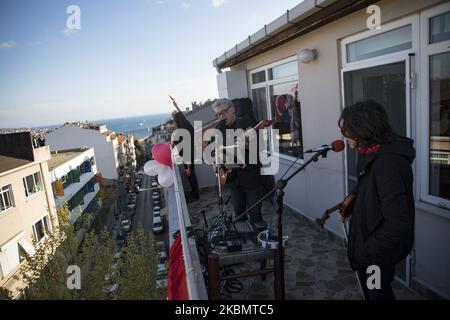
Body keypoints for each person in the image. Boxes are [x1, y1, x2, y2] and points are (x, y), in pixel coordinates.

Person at [338, 99, 415, 300]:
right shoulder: (369, 154)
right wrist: (355, 195)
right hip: (372, 246)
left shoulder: (386, 164)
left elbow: (398, 225)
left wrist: (365, 250)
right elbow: (370, 186)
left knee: (377, 293)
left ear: (362, 129)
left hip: (377, 254)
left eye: (347, 129)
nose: (344, 135)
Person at [211, 98, 267, 231]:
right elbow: (212, 149)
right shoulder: (219, 128)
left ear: (233, 109)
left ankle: (259, 243)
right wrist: (215, 160)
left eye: (224, 111)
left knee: (255, 215)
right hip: (232, 179)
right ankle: (246, 243)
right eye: (218, 114)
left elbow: (261, 146)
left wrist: (247, 144)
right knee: (239, 215)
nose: (221, 116)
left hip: (250, 176)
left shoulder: (248, 123)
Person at [171, 104, 200, 202]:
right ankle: (195, 194)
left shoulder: (180, 131)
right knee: (192, 174)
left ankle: (195, 195)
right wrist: (176, 105)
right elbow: (183, 116)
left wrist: (170, 145)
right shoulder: (188, 125)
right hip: (191, 152)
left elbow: (174, 143)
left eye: (174, 121)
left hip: (187, 154)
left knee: (191, 175)